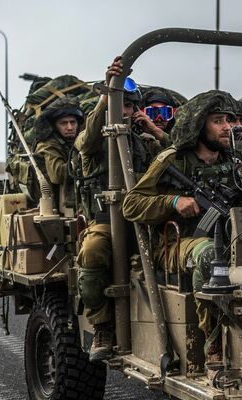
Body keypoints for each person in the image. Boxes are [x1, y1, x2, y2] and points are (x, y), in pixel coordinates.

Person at [122, 89, 242, 373]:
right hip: (175, 245)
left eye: (229, 120)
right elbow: (131, 204)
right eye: (218, 120)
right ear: (199, 125)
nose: (227, 127)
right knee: (210, 254)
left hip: (228, 237)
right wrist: (173, 201)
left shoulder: (235, 162)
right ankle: (213, 342)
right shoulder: (173, 159)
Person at [74, 56, 165, 362]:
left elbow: (175, 157)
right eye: (118, 104)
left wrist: (153, 129)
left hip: (144, 218)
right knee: (92, 251)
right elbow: (87, 141)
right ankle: (102, 327)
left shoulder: (144, 141)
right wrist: (107, 94)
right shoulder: (93, 141)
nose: (122, 111)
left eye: (127, 106)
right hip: (107, 220)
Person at [32, 96, 83, 216]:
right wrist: (81, 159)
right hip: (56, 209)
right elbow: (58, 174)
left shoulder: (75, 139)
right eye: (63, 123)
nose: (70, 127)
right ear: (55, 126)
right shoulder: (47, 144)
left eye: (73, 122)